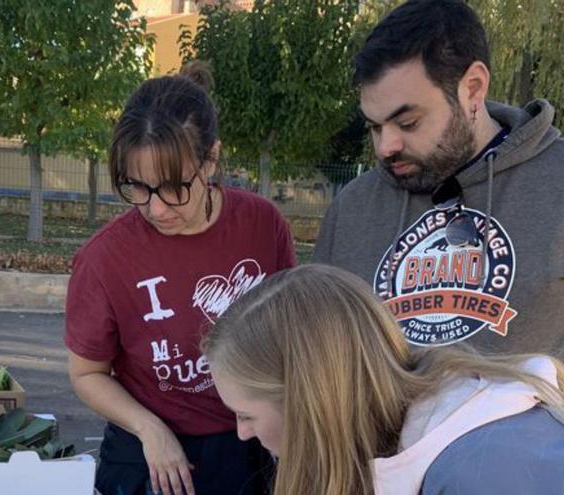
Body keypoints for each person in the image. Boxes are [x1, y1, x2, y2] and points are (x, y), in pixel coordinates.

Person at [65, 62, 296, 495]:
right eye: (137, 187)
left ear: (211, 160)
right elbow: (87, 373)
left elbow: (289, 338)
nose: (156, 209)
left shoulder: (263, 225)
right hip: (147, 449)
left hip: (246, 445)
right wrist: (149, 429)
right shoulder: (103, 258)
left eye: (174, 187)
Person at [312, 0, 564, 355]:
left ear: (473, 88)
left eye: (408, 123)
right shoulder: (351, 209)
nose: (386, 147)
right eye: (374, 126)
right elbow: (320, 357)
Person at [203, 263, 564, 495]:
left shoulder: (481, 472)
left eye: (246, 414)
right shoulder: (398, 441)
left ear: (310, 401)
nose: (242, 433)